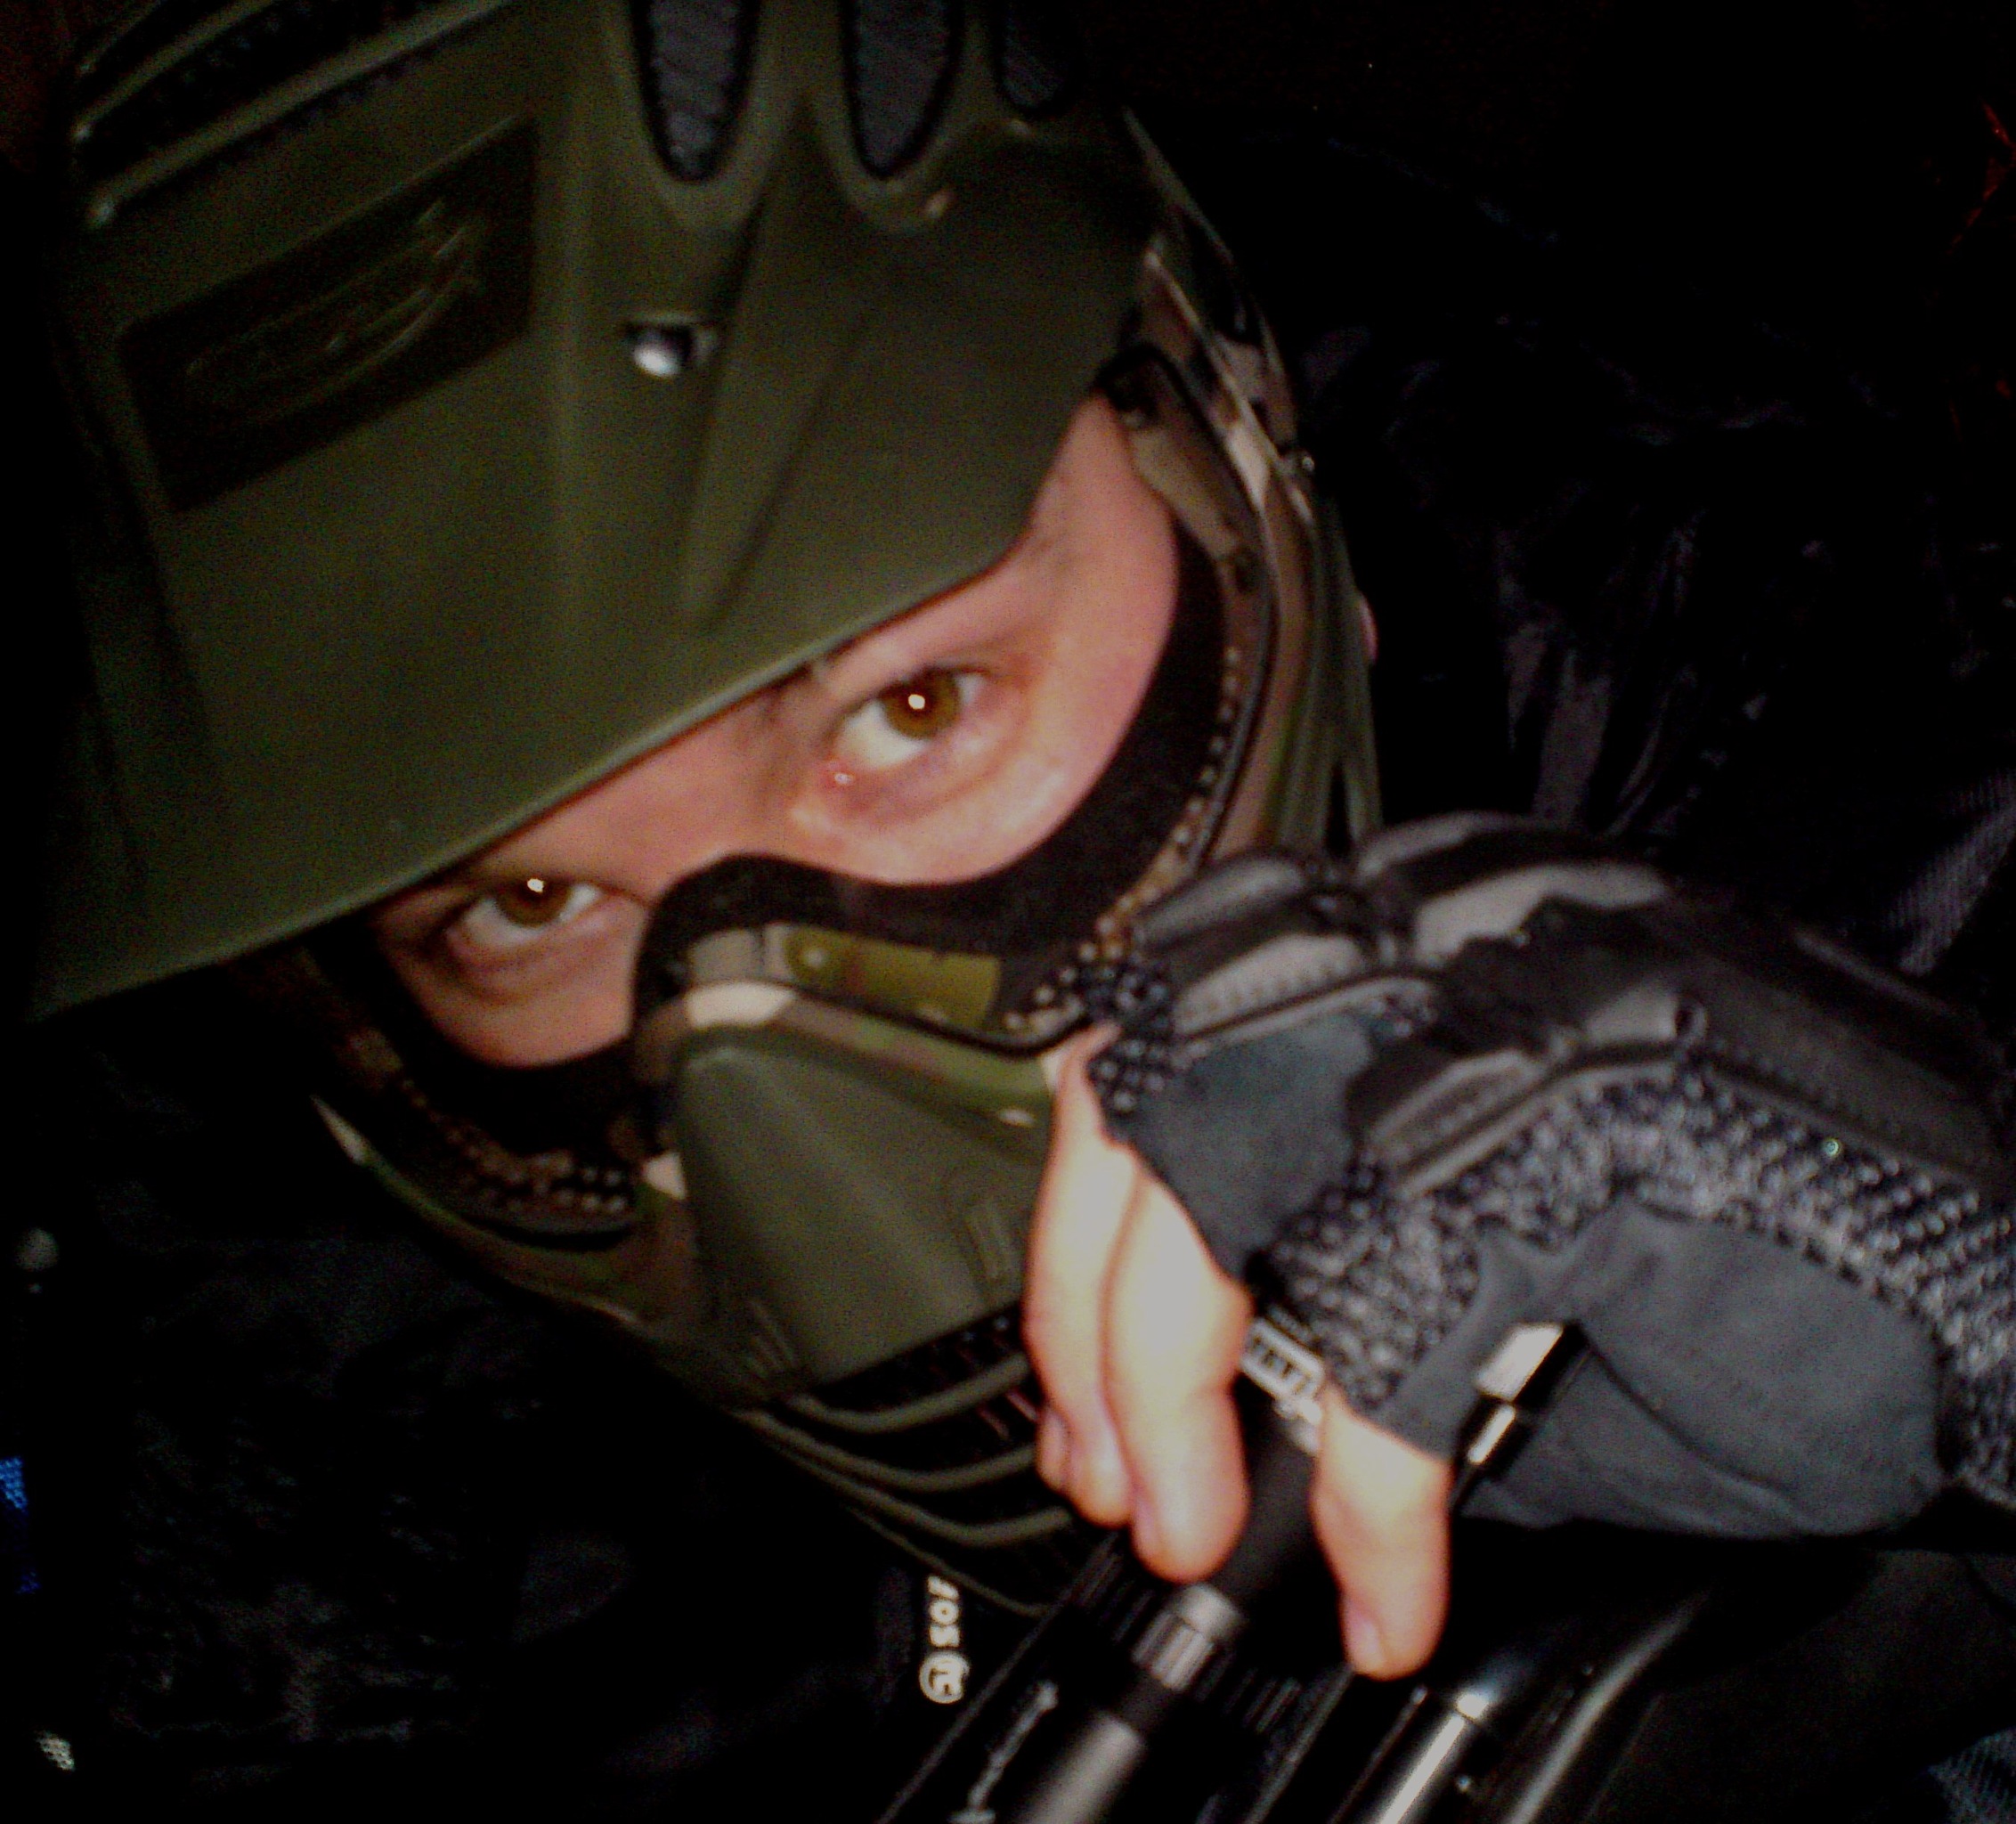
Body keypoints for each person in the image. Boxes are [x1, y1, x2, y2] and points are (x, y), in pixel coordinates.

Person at [11, 0, 2016, 1816]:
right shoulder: (314, 1448)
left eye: (913, 708)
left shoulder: (1839, 754)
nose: (790, 1118)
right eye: (528, 899)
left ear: (1222, 450)